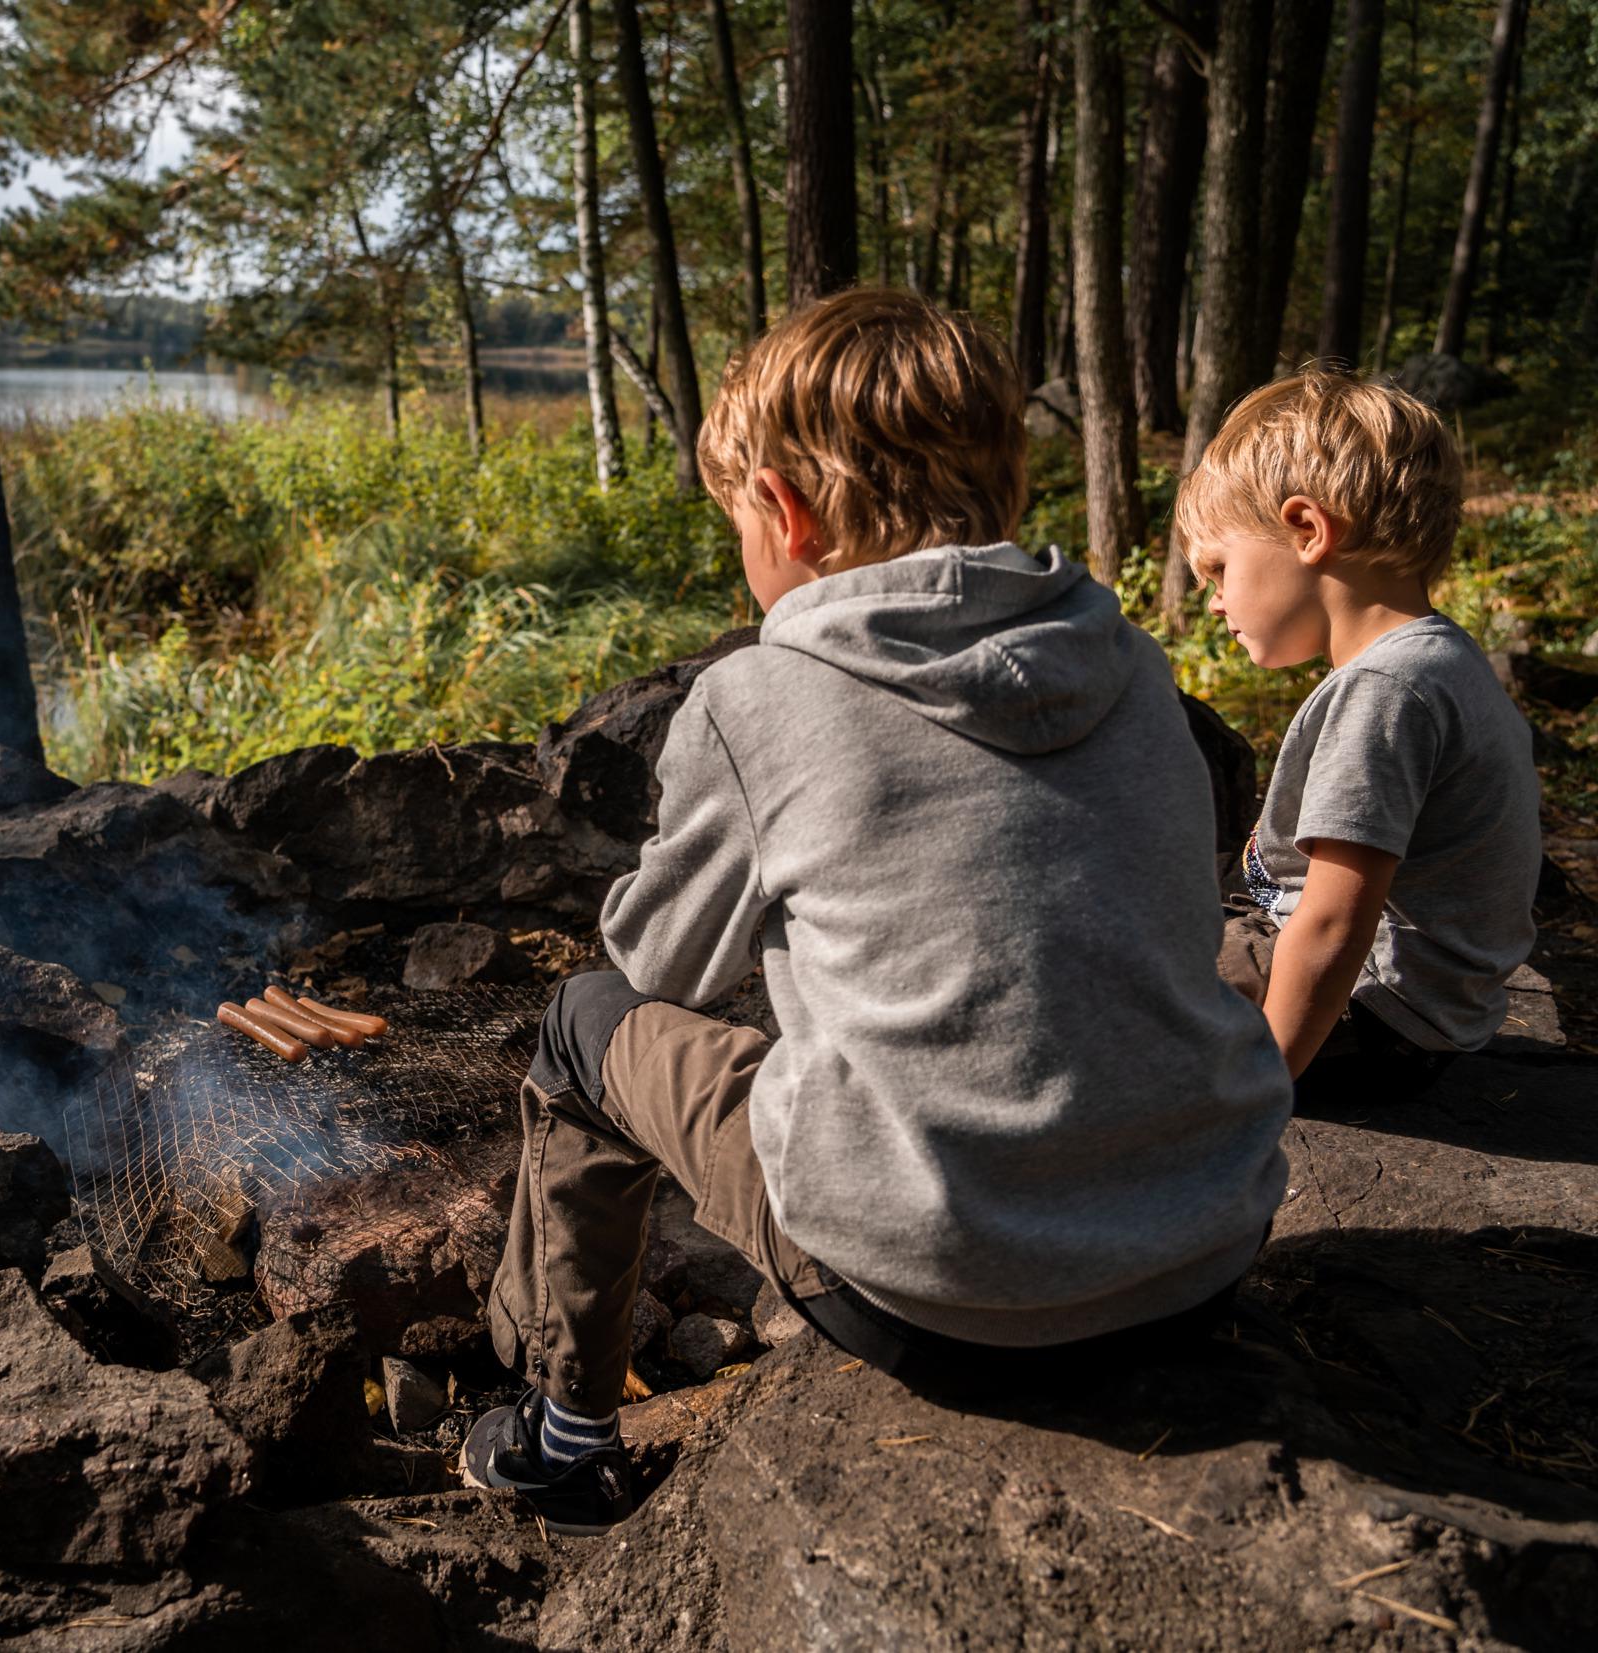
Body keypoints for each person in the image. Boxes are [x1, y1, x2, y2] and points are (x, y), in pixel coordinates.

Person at [460, 289, 1292, 1536]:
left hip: (935, 1297)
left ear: (784, 511)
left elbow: (656, 970)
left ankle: (561, 1435)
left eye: (737, 519)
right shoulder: (1134, 666)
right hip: (1198, 1254)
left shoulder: (762, 695)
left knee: (582, 1024)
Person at [1181, 371, 1541, 1103]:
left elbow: (1335, 920)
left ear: (1308, 531)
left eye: (1219, 569)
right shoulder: (1441, 658)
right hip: (1415, 1014)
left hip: (1370, 1014)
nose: (1214, 601)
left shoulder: (1386, 690)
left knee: (1108, 964)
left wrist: (1262, 1085)